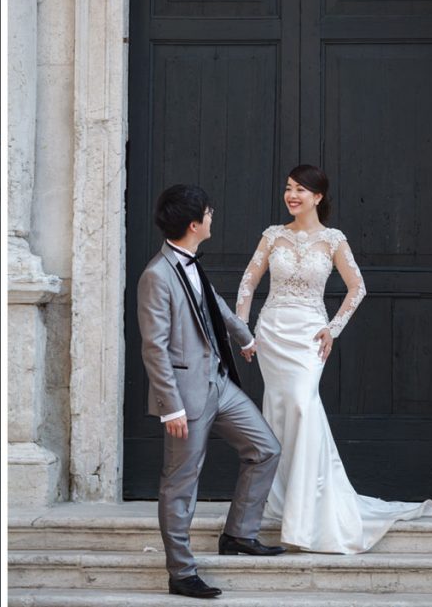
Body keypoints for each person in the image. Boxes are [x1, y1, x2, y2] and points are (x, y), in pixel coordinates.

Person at [235, 164, 432, 554]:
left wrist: (333, 328)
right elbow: (249, 281)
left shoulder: (332, 240)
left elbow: (357, 287)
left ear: (318, 197)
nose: (292, 195)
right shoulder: (272, 236)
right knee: (277, 412)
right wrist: (243, 328)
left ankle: (307, 511)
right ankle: (278, 502)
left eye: (300, 189)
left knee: (301, 405)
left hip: (309, 336)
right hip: (273, 332)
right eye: (288, 188)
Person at [137, 184, 285, 600]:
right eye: (208, 212)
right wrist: (170, 407)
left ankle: (239, 533)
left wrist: (245, 337)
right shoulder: (156, 275)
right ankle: (181, 573)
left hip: (219, 383)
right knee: (180, 482)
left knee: (265, 448)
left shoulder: (191, 263)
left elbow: (214, 306)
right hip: (185, 395)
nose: (212, 216)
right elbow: (155, 346)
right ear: (193, 224)